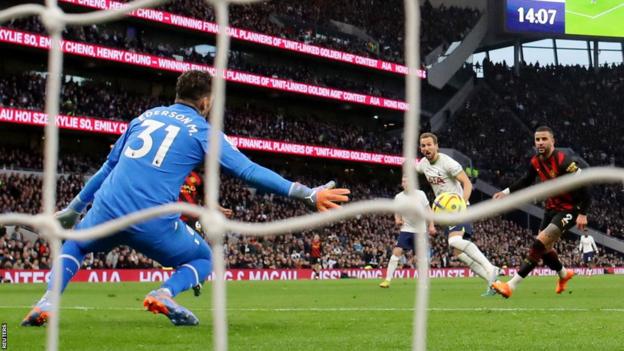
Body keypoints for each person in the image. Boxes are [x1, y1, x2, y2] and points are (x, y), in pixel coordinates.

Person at [21, 70, 350, 327]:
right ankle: (163, 293)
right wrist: (307, 193)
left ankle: (47, 301)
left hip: (107, 210)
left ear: (178, 94)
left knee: (75, 245)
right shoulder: (201, 130)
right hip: (153, 223)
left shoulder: (143, 118)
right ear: (206, 102)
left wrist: (74, 208)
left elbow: (108, 167)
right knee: (203, 259)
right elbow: (249, 171)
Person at [491, 126, 590, 298]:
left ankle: (510, 286)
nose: (540, 143)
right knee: (544, 250)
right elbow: (526, 180)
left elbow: (585, 184)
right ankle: (564, 274)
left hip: (569, 209)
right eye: (537, 139)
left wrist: (583, 213)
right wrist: (505, 192)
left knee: (538, 245)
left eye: (544, 139)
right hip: (551, 208)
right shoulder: (536, 161)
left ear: (553, 141)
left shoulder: (564, 161)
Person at [416, 132, 499, 296]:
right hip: (445, 212)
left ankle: (491, 268)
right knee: (458, 253)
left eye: (429, 144)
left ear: (436, 146)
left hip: (458, 207)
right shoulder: (423, 164)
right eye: (423, 145)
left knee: (454, 240)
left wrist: (462, 204)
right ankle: (494, 283)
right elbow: (415, 168)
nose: (426, 148)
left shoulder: (448, 163)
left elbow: (467, 183)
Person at [379, 175, 435, 288]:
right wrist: (397, 220)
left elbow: (428, 211)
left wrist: (431, 225)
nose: (404, 183)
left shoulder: (420, 194)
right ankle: (387, 280)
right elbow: (397, 212)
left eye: (406, 181)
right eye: (403, 181)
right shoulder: (399, 197)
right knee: (397, 251)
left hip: (420, 230)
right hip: (407, 229)